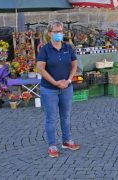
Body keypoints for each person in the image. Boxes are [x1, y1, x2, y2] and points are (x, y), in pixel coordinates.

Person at [36, 21, 80, 158]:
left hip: (66, 88)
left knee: (65, 116)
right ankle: (52, 145)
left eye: (61, 31)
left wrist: (68, 80)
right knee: (51, 118)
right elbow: (40, 69)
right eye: (56, 32)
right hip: (49, 89)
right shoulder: (45, 49)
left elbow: (74, 66)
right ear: (49, 34)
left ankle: (66, 141)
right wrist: (55, 82)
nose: (59, 34)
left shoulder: (68, 48)